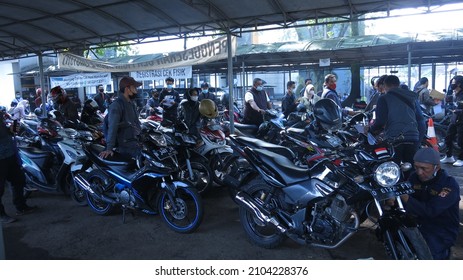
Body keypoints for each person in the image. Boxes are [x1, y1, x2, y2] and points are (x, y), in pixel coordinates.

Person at [400, 147, 460, 259]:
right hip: (418, 223)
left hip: (441, 228)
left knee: (429, 255)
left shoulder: (449, 185)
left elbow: (431, 211)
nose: (419, 172)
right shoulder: (414, 177)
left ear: (437, 167)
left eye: (424, 168)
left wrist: (406, 198)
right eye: (416, 167)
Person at [369, 75, 425, 166]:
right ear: (398, 84)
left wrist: (371, 130)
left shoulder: (384, 98)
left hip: (395, 138)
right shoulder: (411, 97)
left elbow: (380, 122)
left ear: (385, 85)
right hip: (413, 136)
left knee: (393, 168)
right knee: (410, 166)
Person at [0, 110, 37, 224]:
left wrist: (14, 123)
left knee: (18, 180)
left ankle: (21, 207)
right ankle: (1, 215)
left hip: (10, 154)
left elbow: (11, 132)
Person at [100, 76, 142, 159]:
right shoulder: (117, 105)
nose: (136, 90)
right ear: (127, 89)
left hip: (134, 142)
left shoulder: (131, 104)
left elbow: (136, 122)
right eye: (134, 88)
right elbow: (112, 127)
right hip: (125, 146)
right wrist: (109, 148)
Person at [441, 75, 463, 167]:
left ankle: (461, 159)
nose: (452, 84)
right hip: (454, 120)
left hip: (462, 120)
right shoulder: (455, 93)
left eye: (454, 83)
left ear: (459, 84)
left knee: (461, 141)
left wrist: (458, 110)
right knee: (448, 137)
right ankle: (449, 156)